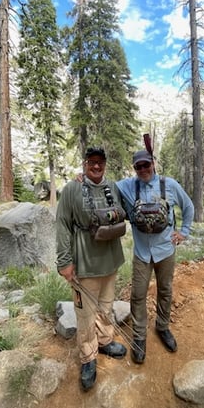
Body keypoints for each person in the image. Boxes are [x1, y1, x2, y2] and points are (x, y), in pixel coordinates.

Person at [56, 147, 127, 391]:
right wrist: (64, 262)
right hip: (84, 264)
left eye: (100, 162)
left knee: (106, 307)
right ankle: (88, 357)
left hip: (111, 260)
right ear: (85, 164)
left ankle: (105, 340)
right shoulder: (72, 189)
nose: (96, 167)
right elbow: (63, 224)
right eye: (91, 162)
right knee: (85, 315)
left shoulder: (114, 187)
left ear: (105, 164)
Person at [116, 149, 194, 364]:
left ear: (153, 163)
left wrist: (184, 231)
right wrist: (83, 177)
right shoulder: (128, 185)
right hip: (142, 253)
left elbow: (188, 207)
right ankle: (139, 337)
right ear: (134, 169)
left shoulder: (170, 184)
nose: (143, 169)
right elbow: (104, 184)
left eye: (146, 164)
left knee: (165, 290)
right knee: (138, 294)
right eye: (138, 166)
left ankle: (163, 327)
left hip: (166, 249)